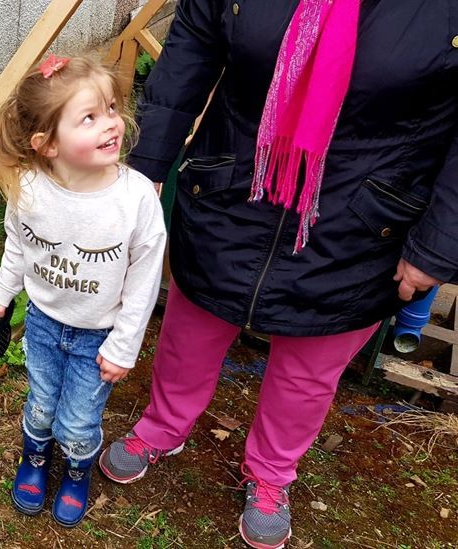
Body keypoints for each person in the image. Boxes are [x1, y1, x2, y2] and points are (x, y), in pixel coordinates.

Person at [98, 1, 458, 548]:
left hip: (362, 217)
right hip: (235, 179)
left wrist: (439, 243)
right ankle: (163, 426)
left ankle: (271, 473)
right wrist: (148, 164)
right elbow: (193, 42)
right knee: (190, 328)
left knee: (310, 367)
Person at [0, 54, 167, 527]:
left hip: (98, 338)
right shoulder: (30, 188)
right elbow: (20, 247)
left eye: (110, 108)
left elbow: (145, 281)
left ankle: (78, 470)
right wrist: (0, 295)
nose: (111, 124)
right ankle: (36, 458)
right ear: (47, 144)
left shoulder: (136, 199)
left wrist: (124, 346)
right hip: (43, 324)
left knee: (79, 420)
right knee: (41, 403)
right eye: (89, 117)